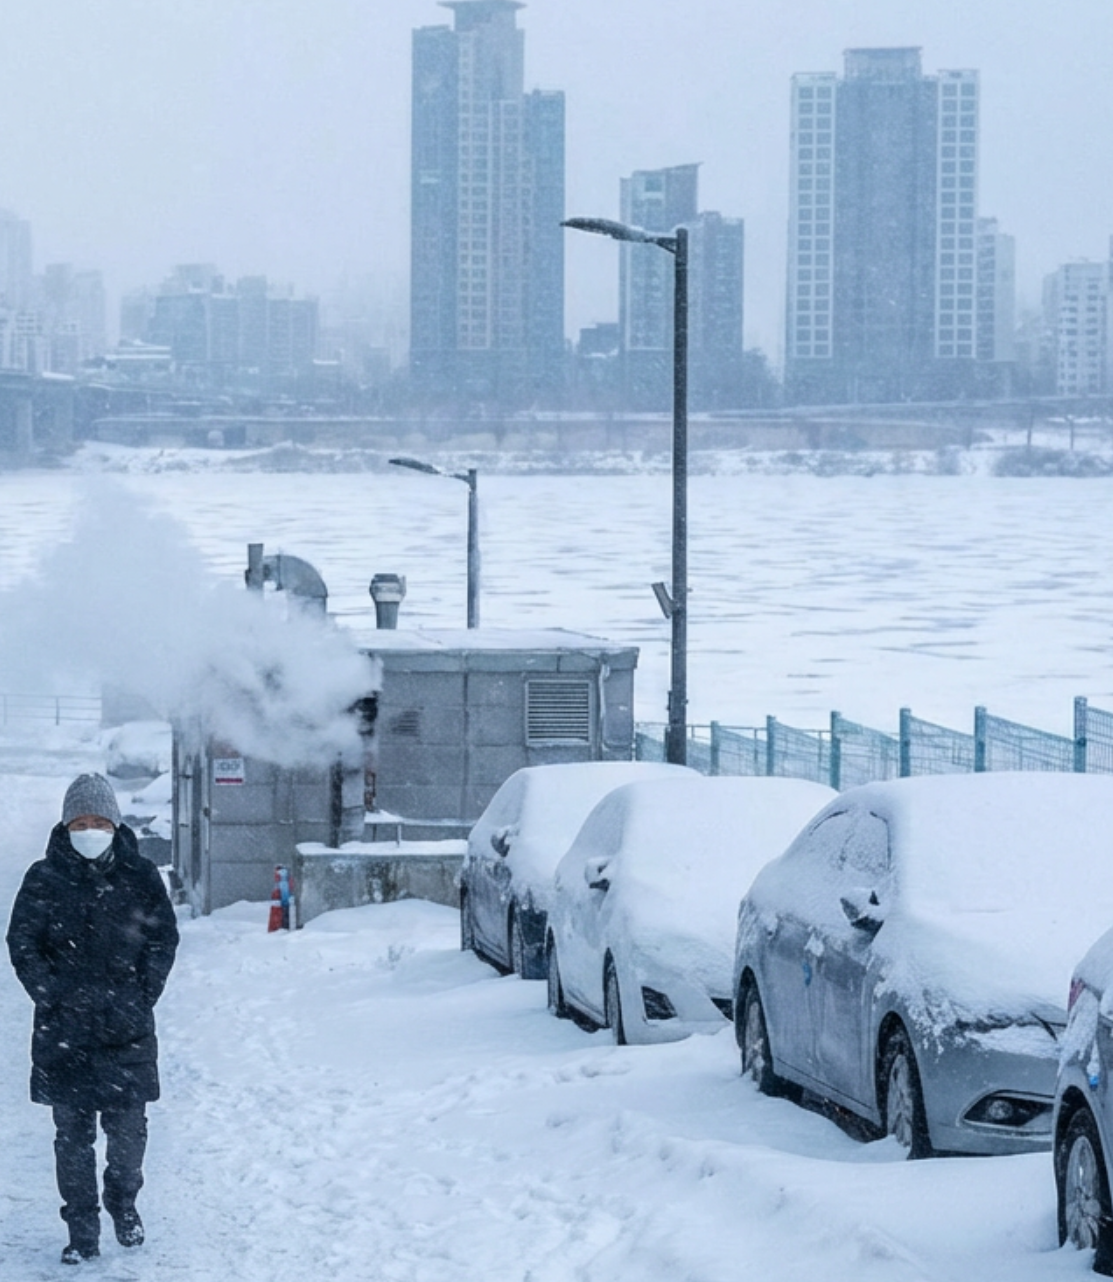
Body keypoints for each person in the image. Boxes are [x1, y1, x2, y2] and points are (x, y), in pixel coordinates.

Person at [7, 772, 179, 1265]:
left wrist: (141, 995)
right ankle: (81, 1228)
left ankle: (123, 1203)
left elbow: (162, 940)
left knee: (129, 1134)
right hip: (64, 1033)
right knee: (72, 1139)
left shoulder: (140, 876)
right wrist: (52, 994)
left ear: (114, 824)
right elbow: (22, 944)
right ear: (66, 825)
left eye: (98, 820)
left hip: (126, 1029)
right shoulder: (44, 877)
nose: (89, 828)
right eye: (80, 821)